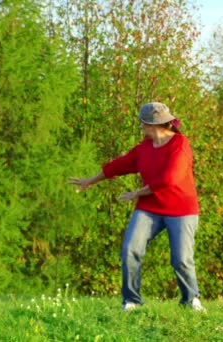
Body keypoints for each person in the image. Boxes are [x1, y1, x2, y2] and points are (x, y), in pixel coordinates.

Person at [69, 102, 204, 312]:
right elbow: (119, 164)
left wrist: (137, 193)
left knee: (181, 259)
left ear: (152, 125)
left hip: (181, 209)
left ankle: (191, 300)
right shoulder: (144, 148)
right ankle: (132, 301)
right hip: (150, 208)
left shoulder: (180, 144)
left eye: (142, 124)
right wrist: (91, 180)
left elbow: (170, 179)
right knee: (130, 249)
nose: (141, 128)